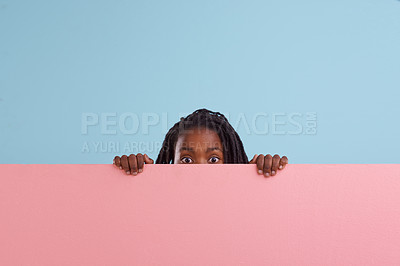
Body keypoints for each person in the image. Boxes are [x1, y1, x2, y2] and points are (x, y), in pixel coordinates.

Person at [113, 108, 288, 177]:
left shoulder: (242, 199)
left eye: (213, 159)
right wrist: (135, 177)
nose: (200, 168)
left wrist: (259, 178)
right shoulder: (161, 199)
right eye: (186, 159)